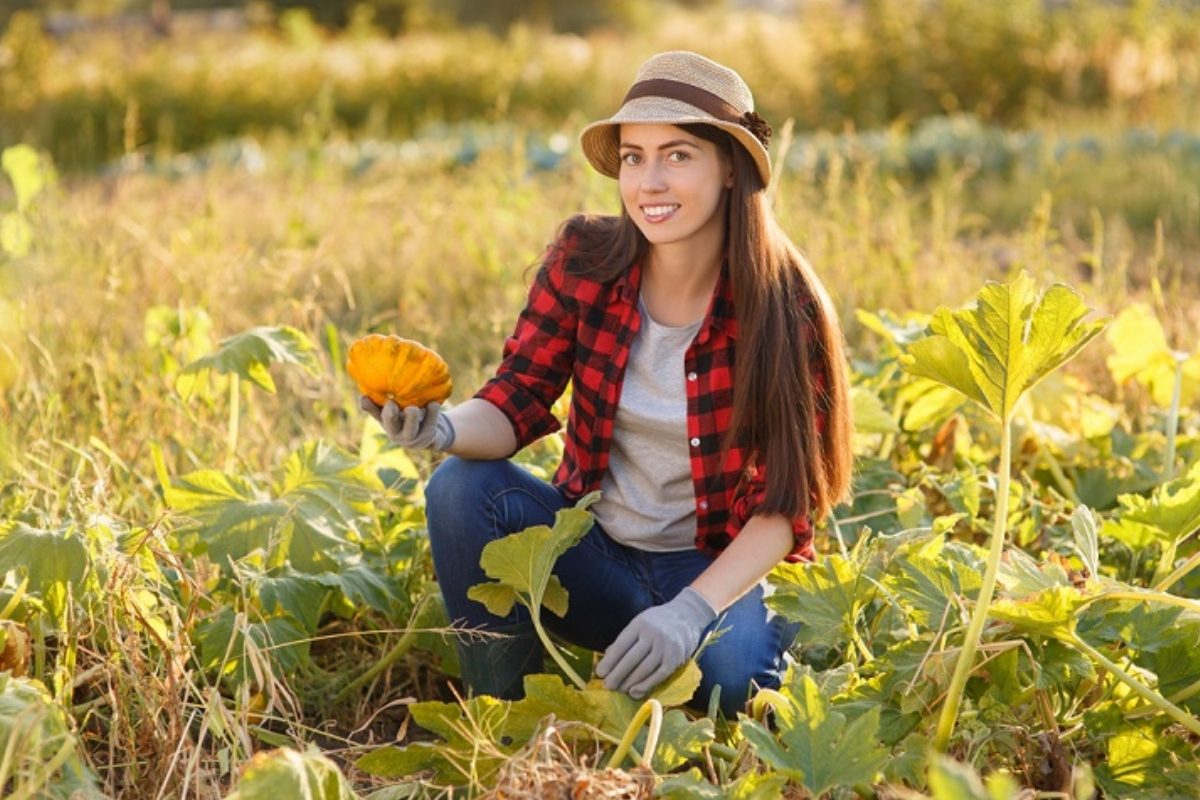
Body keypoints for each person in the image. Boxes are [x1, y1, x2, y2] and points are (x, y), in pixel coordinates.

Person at [360, 50, 853, 717]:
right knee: (459, 487)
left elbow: (787, 507)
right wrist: (439, 429)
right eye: (633, 157)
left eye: (678, 155)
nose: (649, 182)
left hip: (710, 571)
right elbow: (517, 399)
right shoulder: (586, 262)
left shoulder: (782, 306)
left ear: (732, 168)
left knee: (735, 683)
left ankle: (680, 652)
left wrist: (688, 613)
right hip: (592, 556)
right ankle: (505, 717)